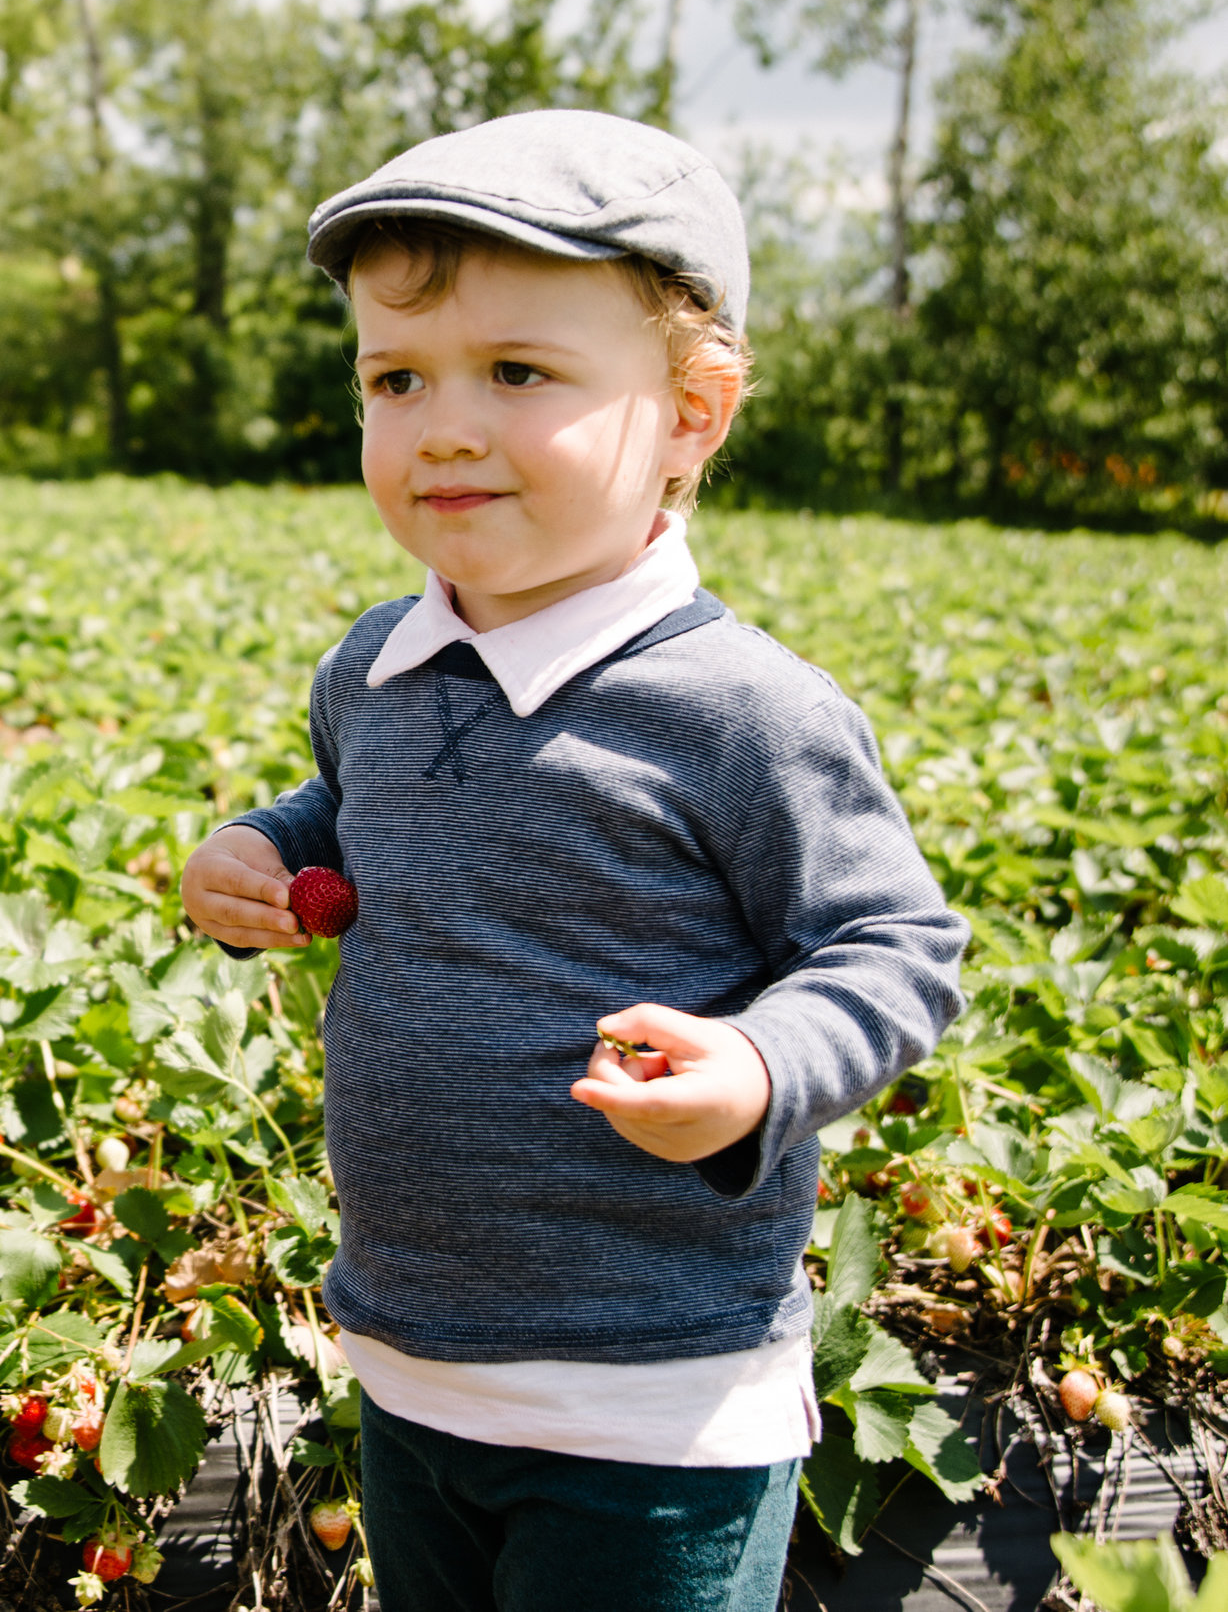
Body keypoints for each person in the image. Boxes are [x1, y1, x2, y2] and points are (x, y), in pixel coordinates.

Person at [180, 110, 969, 1611]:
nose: (445, 427)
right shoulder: (380, 666)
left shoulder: (745, 713)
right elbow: (348, 810)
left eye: (518, 374)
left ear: (691, 412)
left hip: (653, 1402)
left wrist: (754, 1070)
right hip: (410, 1360)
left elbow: (896, 948)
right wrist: (263, 853)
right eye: (395, 380)